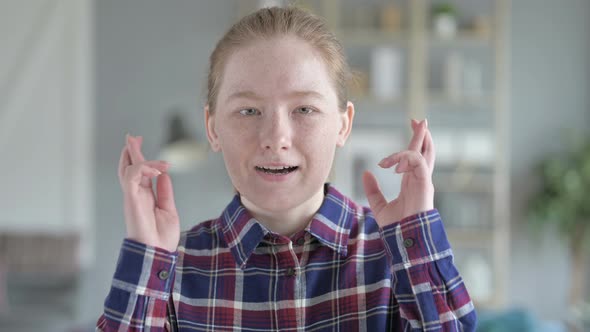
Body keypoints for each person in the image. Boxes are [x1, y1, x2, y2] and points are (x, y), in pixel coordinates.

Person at [96, 6, 476, 332]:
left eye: (304, 109)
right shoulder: (171, 269)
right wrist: (146, 257)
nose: (275, 138)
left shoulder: (400, 258)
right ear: (213, 128)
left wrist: (416, 244)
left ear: (343, 124)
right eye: (248, 110)